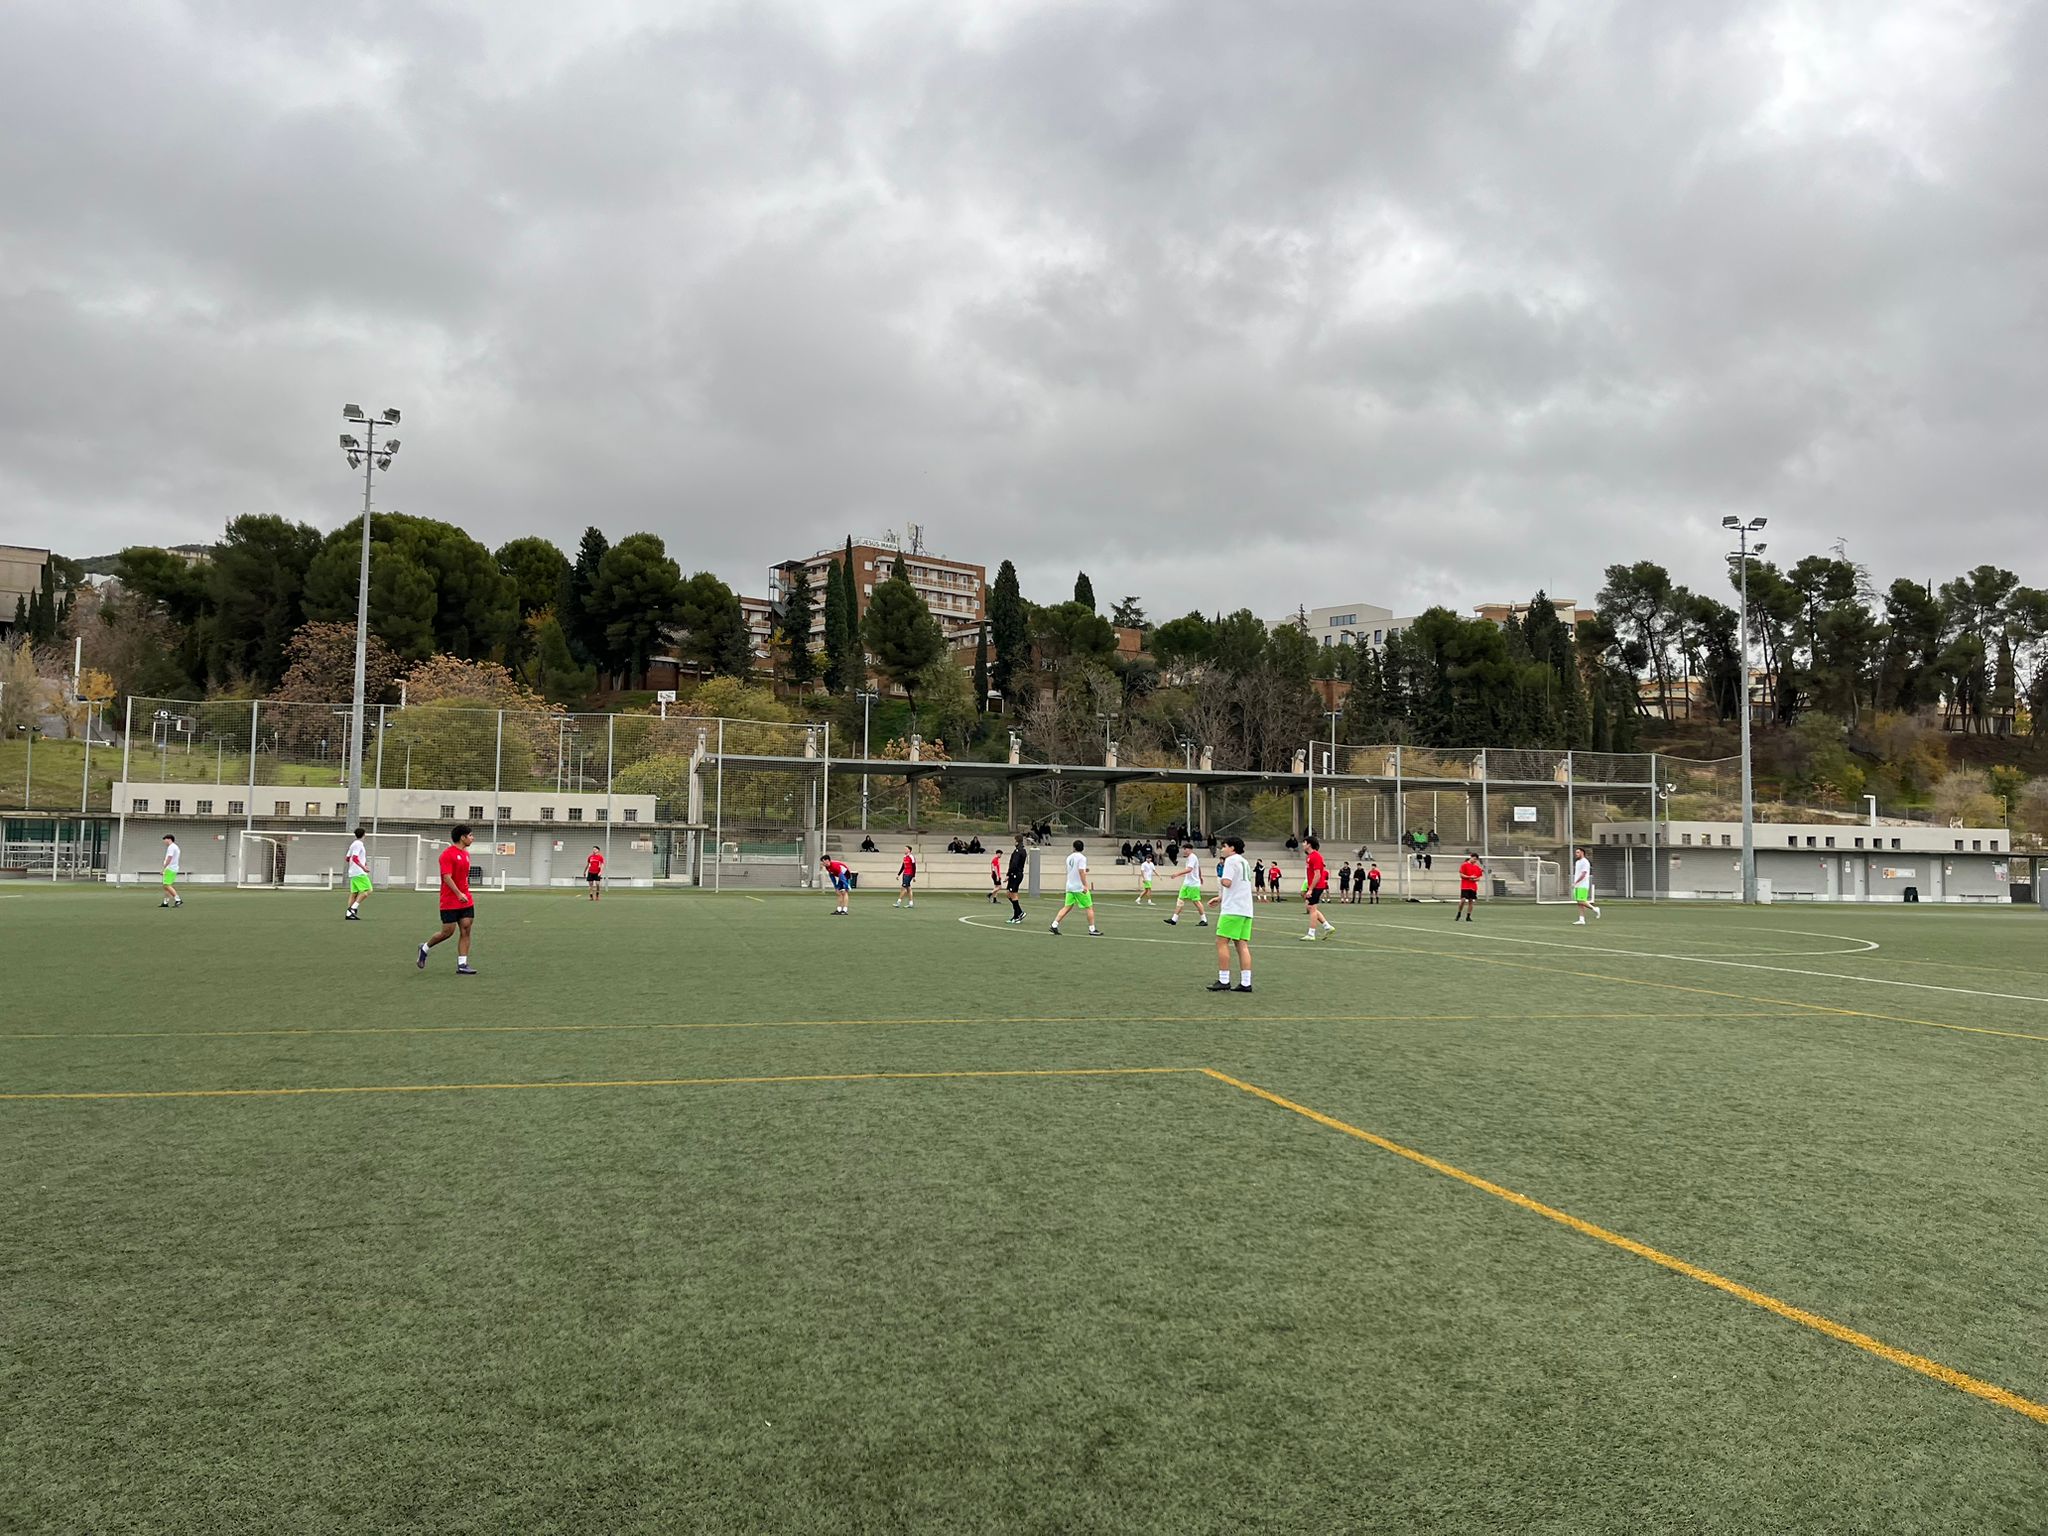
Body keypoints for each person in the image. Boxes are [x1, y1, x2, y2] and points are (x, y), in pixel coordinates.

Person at [418, 825, 478, 974]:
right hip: (450, 899)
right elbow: (446, 877)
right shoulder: (447, 855)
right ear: (462, 837)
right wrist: (458, 894)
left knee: (466, 928)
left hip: (466, 898)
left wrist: (464, 893)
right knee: (447, 932)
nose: (472, 838)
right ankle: (425, 947)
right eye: (470, 835)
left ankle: (462, 964)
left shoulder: (466, 854)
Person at [1209, 835, 1254, 993]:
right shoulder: (1245, 862)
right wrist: (1221, 898)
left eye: (1224, 846)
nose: (1222, 849)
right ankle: (1246, 982)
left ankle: (1224, 979)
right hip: (1245, 909)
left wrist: (1221, 879)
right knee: (1241, 944)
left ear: (1232, 848)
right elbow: (1240, 886)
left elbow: (1227, 882)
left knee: (1221, 942)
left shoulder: (1230, 861)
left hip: (1232, 910)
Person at [1051, 838, 1100, 936]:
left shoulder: (1069, 857)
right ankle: (1092, 929)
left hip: (1070, 886)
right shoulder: (1082, 858)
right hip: (1078, 887)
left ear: (1073, 847)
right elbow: (1081, 872)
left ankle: (1054, 924)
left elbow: (1075, 869)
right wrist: (1085, 885)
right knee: (1089, 907)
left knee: (1067, 906)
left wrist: (1085, 870)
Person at [1300, 835, 1335, 940]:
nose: (1303, 844)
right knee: (1310, 907)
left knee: (1312, 909)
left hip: (1317, 886)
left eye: (1304, 842)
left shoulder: (1316, 856)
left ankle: (1311, 934)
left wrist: (1310, 889)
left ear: (1309, 844)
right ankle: (1327, 926)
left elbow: (1318, 874)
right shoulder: (1309, 856)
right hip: (1314, 885)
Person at [1165, 842, 1208, 927]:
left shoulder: (1192, 857)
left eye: (1186, 849)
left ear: (1190, 850)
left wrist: (1177, 874)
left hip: (1193, 884)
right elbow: (1198, 867)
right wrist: (1200, 876)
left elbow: (1189, 869)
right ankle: (1174, 919)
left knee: (1196, 901)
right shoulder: (1190, 858)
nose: (1184, 851)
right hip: (1187, 883)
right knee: (1180, 899)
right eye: (1183, 849)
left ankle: (1204, 919)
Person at [345, 826, 372, 919]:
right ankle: (352, 909)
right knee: (368, 890)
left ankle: (349, 914)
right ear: (364, 835)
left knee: (354, 893)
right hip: (359, 872)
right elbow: (355, 858)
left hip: (353, 872)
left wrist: (363, 863)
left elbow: (347, 858)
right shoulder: (358, 844)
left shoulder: (353, 844)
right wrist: (363, 867)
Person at [1572, 847, 1602, 925]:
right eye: (1576, 852)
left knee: (1581, 900)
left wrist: (1576, 882)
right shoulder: (1577, 862)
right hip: (1578, 885)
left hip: (1583, 885)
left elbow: (1584, 873)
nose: (1576, 854)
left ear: (1582, 853)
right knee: (1579, 903)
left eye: (1578, 852)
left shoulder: (1585, 862)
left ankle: (1595, 909)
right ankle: (1582, 919)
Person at [1005, 836, 1028, 925]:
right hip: (1014, 874)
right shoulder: (1021, 850)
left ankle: (1017, 915)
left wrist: (1009, 873)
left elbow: (1014, 864)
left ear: (1017, 842)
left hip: (1015, 874)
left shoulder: (1018, 851)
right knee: (1008, 893)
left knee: (1013, 894)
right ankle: (1019, 912)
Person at [1456, 852, 1484, 922]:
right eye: (1474, 859)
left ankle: (1468, 916)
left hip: (1473, 887)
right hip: (1465, 886)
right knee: (1463, 900)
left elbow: (1478, 878)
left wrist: (1475, 879)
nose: (1475, 861)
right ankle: (1459, 913)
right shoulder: (1464, 865)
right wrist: (1469, 877)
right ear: (1471, 857)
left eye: (1476, 860)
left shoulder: (1477, 867)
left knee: (1471, 901)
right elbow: (1461, 875)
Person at [160, 834, 182, 909]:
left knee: (166, 885)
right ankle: (165, 902)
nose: (164, 842)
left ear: (169, 839)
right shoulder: (175, 847)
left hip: (170, 868)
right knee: (166, 886)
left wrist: (164, 868)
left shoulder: (171, 847)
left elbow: (169, 858)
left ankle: (178, 899)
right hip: (174, 868)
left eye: (165, 840)